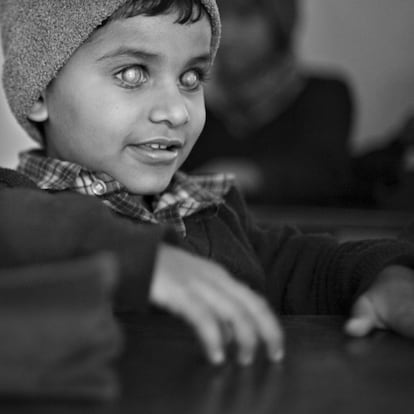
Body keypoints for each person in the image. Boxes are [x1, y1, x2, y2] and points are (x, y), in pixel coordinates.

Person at [2, 0, 414, 369]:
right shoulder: (19, 205)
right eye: (132, 73)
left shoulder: (207, 211)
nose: (177, 111)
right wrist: (144, 258)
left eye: (191, 77)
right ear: (41, 91)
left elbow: (302, 263)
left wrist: (384, 275)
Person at [182, 0, 356, 206]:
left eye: (244, 16)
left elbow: (327, 175)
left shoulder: (322, 96)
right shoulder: (193, 103)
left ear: (279, 25)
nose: (226, 35)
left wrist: (247, 177)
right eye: (218, 19)